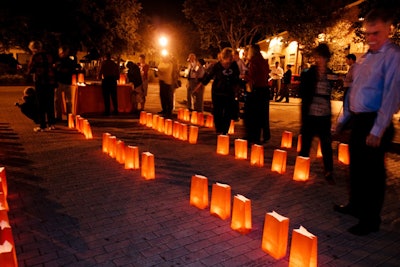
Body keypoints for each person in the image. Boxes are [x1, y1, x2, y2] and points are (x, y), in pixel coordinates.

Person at [334, 8, 400, 236]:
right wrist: (342, 120)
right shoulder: (366, 56)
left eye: (376, 33)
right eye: (368, 33)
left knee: (372, 175)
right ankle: (356, 206)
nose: (371, 38)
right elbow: (356, 91)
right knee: (357, 170)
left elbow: (392, 93)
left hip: (375, 121)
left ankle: (370, 219)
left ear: (388, 30)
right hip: (360, 120)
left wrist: (378, 129)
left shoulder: (393, 56)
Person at [298, 43, 336, 185]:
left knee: (326, 144)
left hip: (324, 115)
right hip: (311, 114)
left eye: (323, 57)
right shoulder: (309, 73)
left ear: (327, 58)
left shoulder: (330, 74)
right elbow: (303, 93)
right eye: (318, 57)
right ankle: (301, 169)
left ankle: (329, 171)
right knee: (306, 143)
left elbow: (332, 91)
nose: (320, 60)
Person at [196, 47, 241, 134]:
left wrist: (237, 87)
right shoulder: (217, 66)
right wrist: (200, 85)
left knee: (228, 113)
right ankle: (219, 129)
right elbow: (208, 76)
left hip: (229, 92)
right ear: (223, 57)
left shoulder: (234, 65)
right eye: (228, 58)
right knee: (218, 112)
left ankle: (224, 131)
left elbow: (236, 77)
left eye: (231, 58)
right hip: (218, 92)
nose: (229, 61)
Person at [27, 40, 57, 132]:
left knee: (41, 104)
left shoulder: (35, 57)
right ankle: (51, 124)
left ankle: (43, 125)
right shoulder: (48, 55)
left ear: (33, 48)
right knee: (50, 103)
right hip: (50, 82)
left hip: (40, 81)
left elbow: (30, 69)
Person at [243, 44, 270, 144]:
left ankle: (253, 137)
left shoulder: (254, 62)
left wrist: (244, 77)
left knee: (252, 115)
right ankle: (263, 135)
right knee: (262, 115)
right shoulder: (263, 61)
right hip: (264, 90)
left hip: (256, 90)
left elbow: (252, 76)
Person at [55, 45, 76, 122]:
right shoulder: (57, 61)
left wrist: (64, 70)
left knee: (68, 101)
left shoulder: (70, 61)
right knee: (57, 100)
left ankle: (69, 116)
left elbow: (73, 70)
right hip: (59, 82)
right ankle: (59, 116)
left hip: (67, 82)